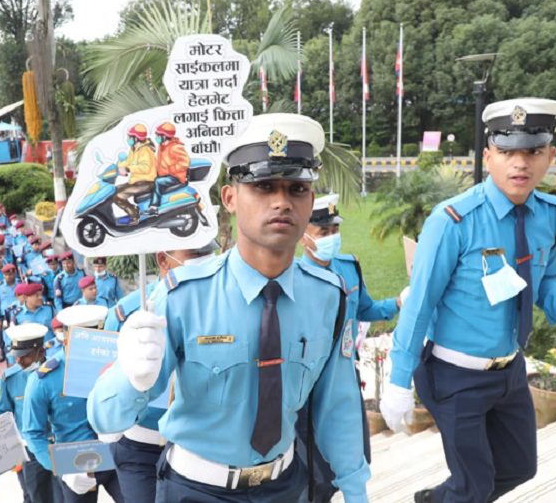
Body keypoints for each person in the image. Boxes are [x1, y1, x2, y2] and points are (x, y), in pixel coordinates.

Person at [87, 113, 371, 502]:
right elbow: (106, 419)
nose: (282, 202)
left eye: (297, 189)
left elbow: (336, 404)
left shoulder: (327, 296)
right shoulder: (183, 295)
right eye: (263, 186)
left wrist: (357, 492)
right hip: (197, 490)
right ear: (230, 198)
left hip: (285, 487)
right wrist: (131, 379)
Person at [379, 99, 556, 503]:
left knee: (520, 468)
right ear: (488, 156)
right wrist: (399, 380)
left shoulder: (551, 213)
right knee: (474, 486)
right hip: (454, 377)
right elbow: (419, 305)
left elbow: (544, 286)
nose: (519, 163)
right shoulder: (453, 220)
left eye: (532, 151)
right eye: (507, 152)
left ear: (550, 156)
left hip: (510, 372)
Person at [294, 194, 410, 503]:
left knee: (358, 457)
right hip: (307, 390)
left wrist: (398, 303)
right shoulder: (292, 278)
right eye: (323, 232)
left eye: (334, 230)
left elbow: (365, 309)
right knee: (313, 471)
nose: (332, 237)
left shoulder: (348, 267)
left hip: (344, 380)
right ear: (303, 237)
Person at [102, 241, 219, 503]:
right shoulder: (127, 313)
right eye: (194, 254)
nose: (205, 262)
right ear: (163, 260)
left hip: (198, 444)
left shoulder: (222, 306)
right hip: (142, 444)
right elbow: (104, 379)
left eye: (210, 254)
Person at [23, 306, 125, 503]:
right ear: (67, 339)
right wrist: (62, 469)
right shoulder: (44, 380)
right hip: (76, 464)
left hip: (118, 454)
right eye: (84, 340)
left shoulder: (117, 363)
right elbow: (33, 433)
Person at [0, 323, 61, 503]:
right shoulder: (9, 379)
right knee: (36, 496)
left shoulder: (60, 371)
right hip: (30, 449)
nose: (18, 361)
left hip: (60, 443)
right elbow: (2, 417)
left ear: (40, 352)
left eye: (24, 356)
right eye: (15, 356)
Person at [114, 124, 157, 225]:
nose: (128, 139)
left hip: (146, 183)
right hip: (136, 181)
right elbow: (128, 161)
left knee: (119, 196)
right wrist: (114, 167)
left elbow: (145, 168)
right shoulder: (134, 149)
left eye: (130, 136)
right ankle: (133, 211)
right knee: (112, 190)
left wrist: (128, 169)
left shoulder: (145, 150)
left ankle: (134, 216)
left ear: (137, 138)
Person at [148, 122, 190, 216]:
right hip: (165, 175)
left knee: (158, 181)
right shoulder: (162, 147)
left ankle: (154, 207)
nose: (157, 137)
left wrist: (171, 170)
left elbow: (185, 162)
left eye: (159, 135)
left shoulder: (175, 147)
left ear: (165, 136)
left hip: (176, 177)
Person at [0, 263, 20, 364]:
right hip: (5, 317)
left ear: (14, 273)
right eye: (6, 275)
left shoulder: (21, 284)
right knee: (4, 341)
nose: (9, 277)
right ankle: (5, 356)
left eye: (10, 274)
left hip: (18, 316)